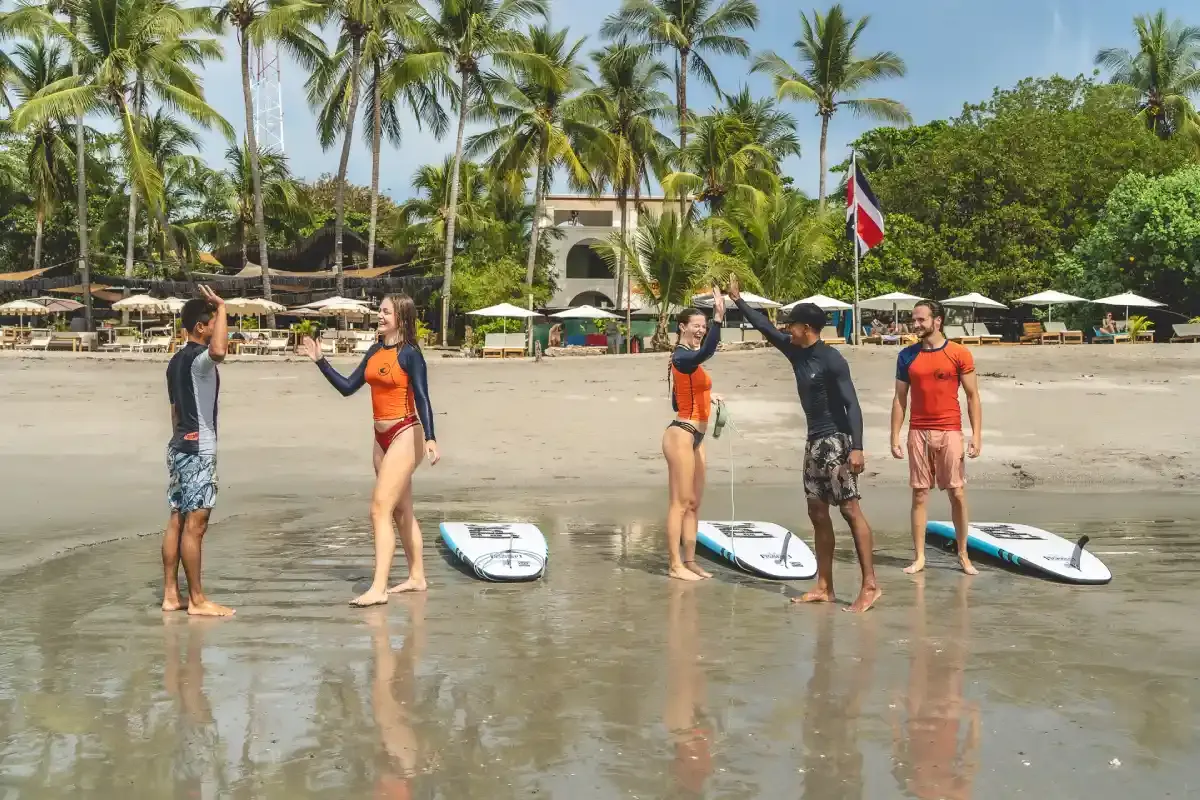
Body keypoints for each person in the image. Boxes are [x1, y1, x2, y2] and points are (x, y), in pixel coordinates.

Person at [729, 275, 881, 612]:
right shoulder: (796, 352)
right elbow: (766, 329)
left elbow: (851, 403)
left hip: (837, 442)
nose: (788, 330)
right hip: (813, 442)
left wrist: (857, 447)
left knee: (849, 509)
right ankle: (825, 586)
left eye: (792, 325)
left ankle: (870, 585)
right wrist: (737, 300)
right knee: (816, 510)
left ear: (807, 328)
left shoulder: (831, 360)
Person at [301, 294, 440, 606]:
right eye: (380, 311)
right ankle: (417, 577)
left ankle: (379, 588)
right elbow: (349, 387)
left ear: (401, 318)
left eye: (386, 312)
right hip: (381, 439)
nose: (380, 315)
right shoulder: (376, 350)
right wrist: (320, 361)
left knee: (379, 509)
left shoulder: (410, 355)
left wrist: (430, 438)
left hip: (406, 432)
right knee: (401, 510)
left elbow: (423, 397)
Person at [890, 299, 982, 575]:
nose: (915, 324)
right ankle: (919, 557)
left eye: (921, 320)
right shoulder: (906, 356)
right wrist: (895, 435)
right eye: (913, 320)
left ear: (937, 321)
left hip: (950, 429)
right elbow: (899, 399)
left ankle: (964, 555)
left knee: (957, 492)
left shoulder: (959, 353)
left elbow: (972, 396)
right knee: (919, 494)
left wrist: (977, 435)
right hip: (918, 430)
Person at [162, 286, 234, 617]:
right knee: (197, 523)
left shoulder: (175, 360)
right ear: (201, 327)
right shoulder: (198, 360)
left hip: (178, 445)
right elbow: (220, 350)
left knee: (177, 518)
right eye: (212, 322)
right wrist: (223, 307)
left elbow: (175, 411)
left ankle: (170, 595)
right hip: (198, 448)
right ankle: (197, 600)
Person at [663, 287, 724, 582]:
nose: (701, 330)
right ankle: (674, 564)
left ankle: (690, 560)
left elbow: (678, 397)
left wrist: (708, 396)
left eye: (704, 326)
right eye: (697, 326)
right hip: (682, 434)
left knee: (694, 503)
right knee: (680, 501)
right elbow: (707, 352)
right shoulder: (682, 356)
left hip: (698, 435)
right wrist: (719, 320)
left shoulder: (690, 360)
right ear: (682, 327)